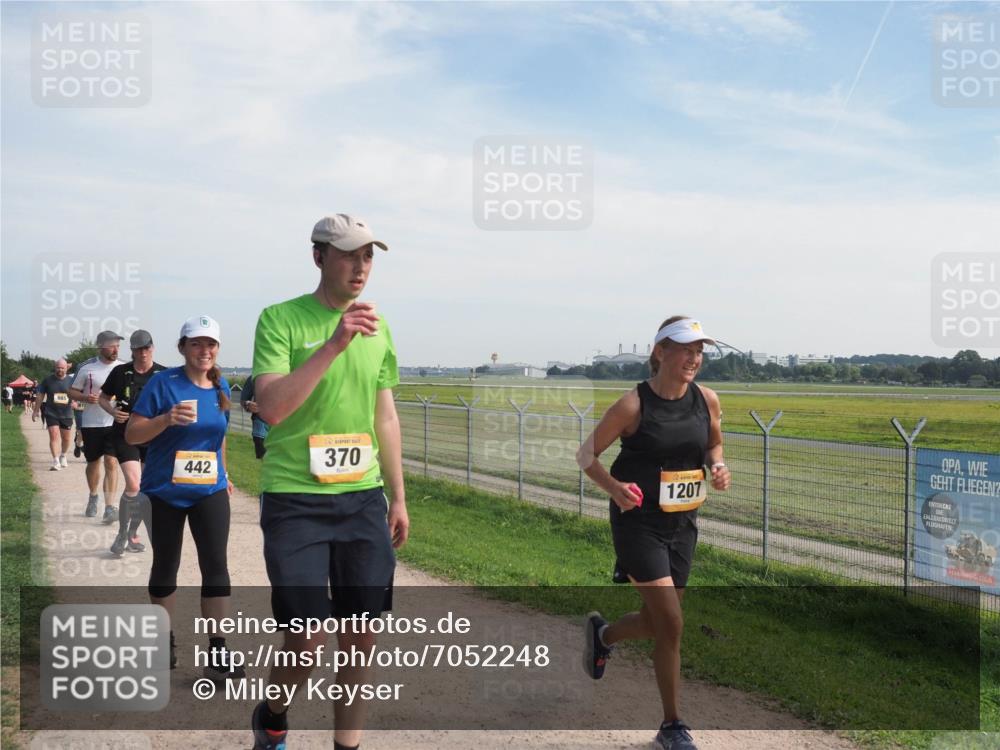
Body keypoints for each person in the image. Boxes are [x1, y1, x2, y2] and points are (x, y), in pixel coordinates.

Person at [249, 213, 408, 750]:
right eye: (348, 254)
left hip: (362, 498)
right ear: (318, 257)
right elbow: (270, 407)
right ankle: (273, 712)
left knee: (360, 639)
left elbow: (384, 415)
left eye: (368, 256)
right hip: (296, 498)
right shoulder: (281, 319)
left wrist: (398, 496)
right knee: (306, 639)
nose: (361, 266)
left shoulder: (379, 326)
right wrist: (334, 344)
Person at [576, 316, 732, 750]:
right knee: (673, 623)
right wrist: (614, 489)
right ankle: (672, 726)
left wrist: (718, 465)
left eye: (699, 351)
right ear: (660, 351)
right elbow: (586, 454)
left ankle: (603, 636)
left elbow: (713, 444)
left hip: (682, 524)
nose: (694, 358)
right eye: (685, 348)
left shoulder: (708, 400)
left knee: (658, 622)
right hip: (637, 524)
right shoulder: (633, 405)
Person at [125, 315, 245, 681]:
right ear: (182, 348)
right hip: (164, 492)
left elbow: (218, 435)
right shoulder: (163, 383)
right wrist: (165, 419)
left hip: (208, 490)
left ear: (217, 349)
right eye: (196, 343)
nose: (204, 350)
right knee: (166, 565)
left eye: (210, 344)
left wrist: (223, 474)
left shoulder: (219, 384)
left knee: (216, 566)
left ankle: (218, 653)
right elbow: (132, 434)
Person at [100, 329, 166, 556]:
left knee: (146, 490)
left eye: (146, 347)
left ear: (152, 348)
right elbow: (102, 397)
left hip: (154, 438)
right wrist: (112, 411)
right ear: (132, 351)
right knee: (135, 485)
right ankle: (121, 533)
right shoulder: (120, 372)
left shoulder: (163, 374)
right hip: (125, 434)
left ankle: (132, 534)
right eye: (138, 349)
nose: (143, 352)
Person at [69, 332, 125, 522]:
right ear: (100, 346)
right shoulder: (86, 367)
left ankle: (110, 507)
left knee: (111, 462)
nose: (116, 349)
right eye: (112, 345)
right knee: (93, 463)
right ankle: (93, 496)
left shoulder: (123, 368)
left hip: (114, 422)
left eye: (118, 345)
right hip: (91, 423)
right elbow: (71, 392)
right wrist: (86, 398)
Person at [33, 359, 75, 470]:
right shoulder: (47, 380)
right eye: (58, 367)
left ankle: (63, 455)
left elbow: (77, 394)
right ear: (55, 367)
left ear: (66, 368)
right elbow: (40, 395)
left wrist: (76, 402)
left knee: (66, 438)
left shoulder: (72, 381)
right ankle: (56, 461)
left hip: (67, 414)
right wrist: (36, 410)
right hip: (51, 412)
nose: (60, 370)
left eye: (62, 368)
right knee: (54, 435)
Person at [239, 375, 270, 459]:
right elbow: (243, 400)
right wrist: (248, 405)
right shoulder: (254, 377)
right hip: (261, 429)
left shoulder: (291, 373)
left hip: (285, 429)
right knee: (266, 462)